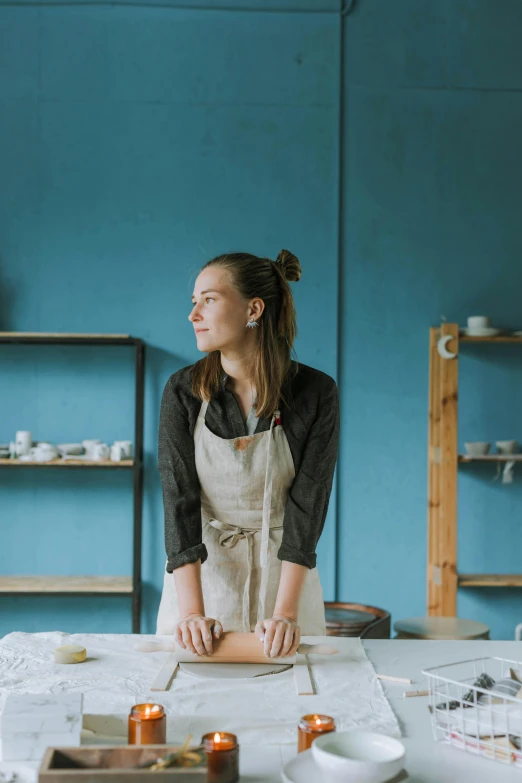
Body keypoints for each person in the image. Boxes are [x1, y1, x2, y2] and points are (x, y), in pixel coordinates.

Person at [156, 249, 339, 659]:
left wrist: (286, 615)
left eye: (209, 299)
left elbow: (308, 505)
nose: (193, 315)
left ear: (253, 308)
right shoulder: (183, 392)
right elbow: (179, 501)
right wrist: (191, 615)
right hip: (202, 581)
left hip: (286, 579)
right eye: (193, 302)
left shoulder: (315, 393)